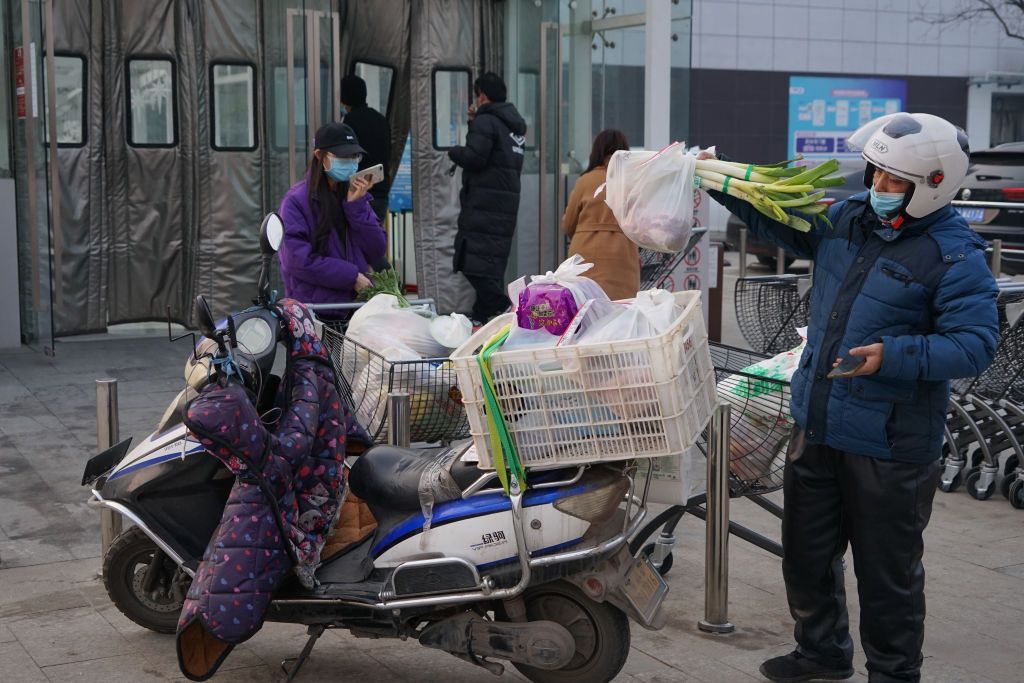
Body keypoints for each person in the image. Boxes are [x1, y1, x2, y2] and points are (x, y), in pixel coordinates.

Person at [705, 113, 998, 683]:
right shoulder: (850, 220)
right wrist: (720, 183)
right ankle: (822, 652)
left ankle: (893, 673)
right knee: (806, 555)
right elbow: (791, 228)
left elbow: (974, 345)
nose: (880, 189)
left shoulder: (954, 255)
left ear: (934, 185)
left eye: (896, 182)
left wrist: (893, 354)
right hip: (817, 423)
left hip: (890, 445)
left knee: (887, 574)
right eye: (877, 174)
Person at [278, 122, 387, 308]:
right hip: (315, 311)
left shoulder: (357, 196)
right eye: (343, 156)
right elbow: (296, 260)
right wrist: (351, 277)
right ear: (319, 155)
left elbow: (376, 250)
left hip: (357, 309)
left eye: (354, 156)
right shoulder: (296, 201)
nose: (350, 162)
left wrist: (357, 208)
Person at [448, 71, 527, 324]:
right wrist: (476, 124)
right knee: (488, 270)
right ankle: (481, 323)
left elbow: (476, 157)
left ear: (481, 96)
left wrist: (454, 151)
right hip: (502, 210)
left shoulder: (487, 122)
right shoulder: (513, 126)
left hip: (483, 208)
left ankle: (515, 312)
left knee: (474, 267)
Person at [561, 129, 638, 300]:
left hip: (584, 257)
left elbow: (568, 225)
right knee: (620, 313)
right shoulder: (632, 182)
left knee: (584, 313)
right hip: (622, 257)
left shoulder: (584, 181)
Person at [340, 74, 392, 223]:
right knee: (372, 237)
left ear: (344, 97)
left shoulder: (349, 122)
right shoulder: (381, 119)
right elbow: (389, 154)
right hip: (381, 191)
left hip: (358, 191)